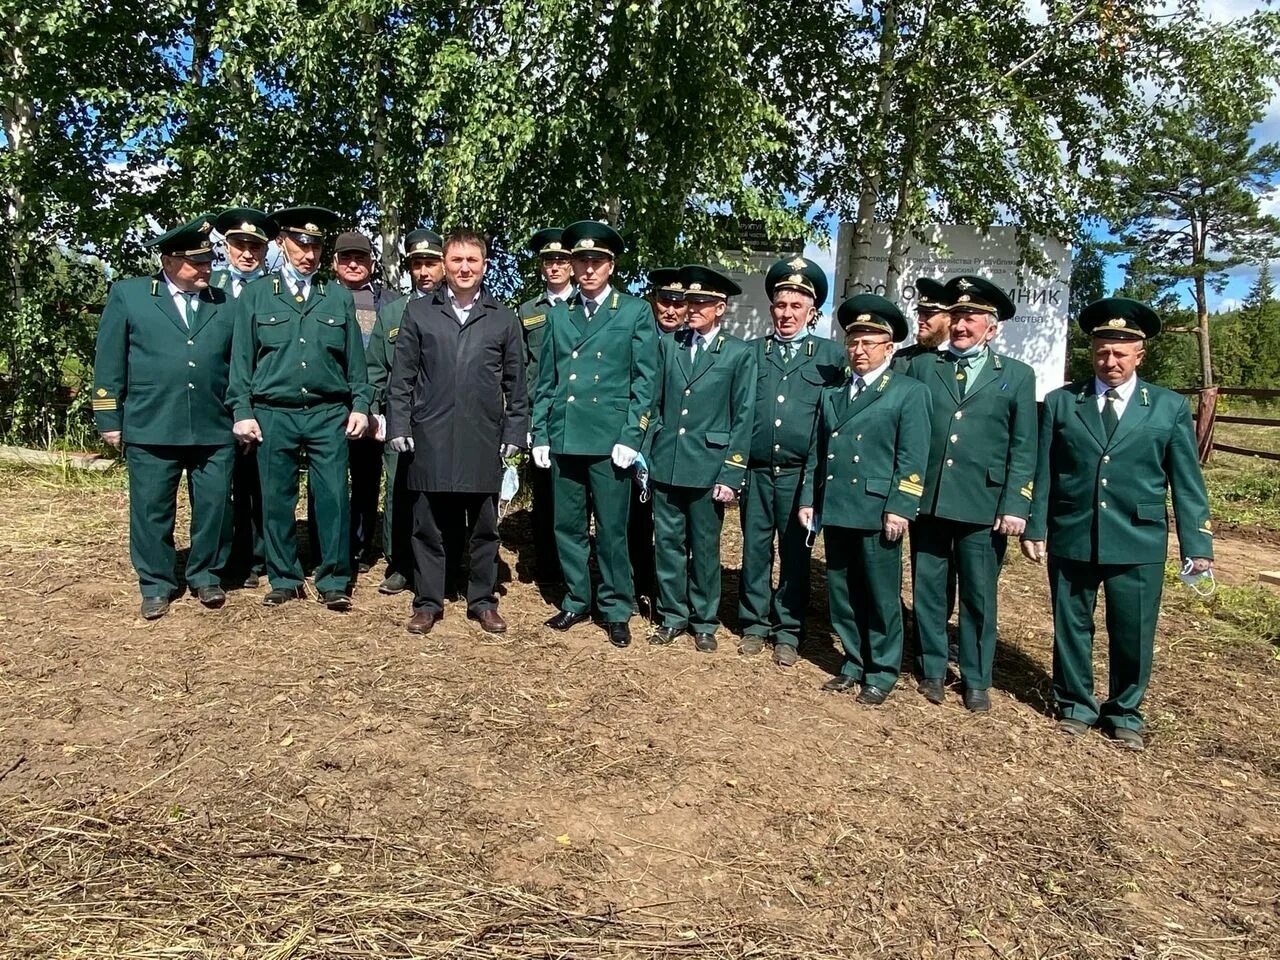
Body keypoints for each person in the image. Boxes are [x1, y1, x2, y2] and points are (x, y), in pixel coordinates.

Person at [1022, 298, 1213, 751]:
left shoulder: (1166, 408)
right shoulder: (1062, 402)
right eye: (1103, 353)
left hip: (1138, 537)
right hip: (1073, 531)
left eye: (1121, 354)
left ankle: (1125, 711)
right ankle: (1075, 705)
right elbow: (1044, 471)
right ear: (1093, 352)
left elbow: (1187, 481)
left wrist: (1197, 543)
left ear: (1139, 356)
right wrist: (1036, 527)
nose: (1110, 362)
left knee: (1133, 629)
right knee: (1072, 624)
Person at [901, 275, 1037, 711]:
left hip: (984, 504)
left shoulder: (1016, 375)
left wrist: (1017, 503)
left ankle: (977, 678)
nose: (962, 326)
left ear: (991, 328)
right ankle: (933, 668)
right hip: (931, 500)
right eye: (957, 316)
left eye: (972, 318)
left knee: (979, 594)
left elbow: (1024, 444)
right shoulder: (925, 367)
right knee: (930, 587)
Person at [227, 206, 372, 610]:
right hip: (275, 412)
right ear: (282, 243)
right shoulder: (258, 295)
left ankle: (334, 579)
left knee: (332, 497)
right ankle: (285, 577)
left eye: (315, 246)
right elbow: (242, 362)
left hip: (328, 412)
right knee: (275, 498)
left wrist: (361, 404)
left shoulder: (337, 297)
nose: (308, 254)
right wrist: (242, 410)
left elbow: (354, 363)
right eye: (299, 244)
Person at [92, 213, 235, 619]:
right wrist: (109, 417)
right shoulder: (131, 295)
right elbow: (109, 361)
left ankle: (206, 575)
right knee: (152, 508)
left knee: (214, 508)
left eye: (209, 261)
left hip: (213, 424)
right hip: (152, 423)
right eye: (197, 262)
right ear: (170, 262)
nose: (206, 268)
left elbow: (237, 363)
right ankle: (155, 583)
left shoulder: (224, 303)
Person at [386, 229, 528, 635]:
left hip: (483, 436)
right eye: (456, 260)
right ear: (444, 265)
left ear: (484, 265)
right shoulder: (420, 312)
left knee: (484, 526)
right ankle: (428, 602)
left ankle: (482, 600)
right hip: (429, 434)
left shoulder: (503, 318)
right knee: (427, 523)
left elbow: (516, 384)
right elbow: (402, 378)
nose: (464, 268)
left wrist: (516, 430)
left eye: (472, 260)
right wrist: (398, 424)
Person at [530, 220, 658, 649]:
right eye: (581, 260)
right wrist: (541, 432)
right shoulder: (559, 315)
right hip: (566, 436)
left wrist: (632, 436)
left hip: (609, 442)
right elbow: (547, 378)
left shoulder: (634, 311)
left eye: (596, 261)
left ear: (611, 265)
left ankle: (616, 607)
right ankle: (576, 598)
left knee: (610, 529)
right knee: (566, 526)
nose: (587, 269)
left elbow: (645, 382)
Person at [799, 295, 931, 701]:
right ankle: (854, 661)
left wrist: (901, 506)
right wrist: (810, 499)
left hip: (877, 510)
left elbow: (912, 457)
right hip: (837, 505)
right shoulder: (834, 391)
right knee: (841, 591)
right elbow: (816, 452)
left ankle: (883, 669)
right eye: (853, 342)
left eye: (869, 343)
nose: (858, 350)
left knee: (879, 594)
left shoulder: (907, 392)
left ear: (888, 349)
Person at [738, 256, 846, 664]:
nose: (787, 314)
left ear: (812, 310)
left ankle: (788, 630)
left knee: (796, 554)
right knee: (755, 549)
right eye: (781, 306)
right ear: (771, 309)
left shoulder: (831, 357)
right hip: (757, 471)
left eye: (796, 306)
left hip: (802, 475)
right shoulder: (752, 353)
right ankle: (753, 623)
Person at [645, 265, 756, 651]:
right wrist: (648, 452)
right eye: (690, 301)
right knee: (669, 543)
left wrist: (731, 472)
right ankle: (672, 615)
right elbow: (655, 402)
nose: (692, 309)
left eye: (702, 302)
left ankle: (704, 620)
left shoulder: (739, 353)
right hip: (668, 461)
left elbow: (743, 418)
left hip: (708, 467)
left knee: (705, 547)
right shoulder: (669, 344)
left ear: (720, 308)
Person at [366, 228, 445, 595]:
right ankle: (399, 563)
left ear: (443, 266)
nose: (424, 271)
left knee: (443, 493)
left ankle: (442, 561)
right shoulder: (393, 312)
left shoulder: (455, 308)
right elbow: (376, 370)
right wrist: (377, 414)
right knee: (398, 492)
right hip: (402, 419)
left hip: (445, 421)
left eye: (431, 263)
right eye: (417, 265)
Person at [211, 207, 277, 589]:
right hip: (215, 403)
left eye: (255, 246)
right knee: (218, 487)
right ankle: (222, 558)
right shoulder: (210, 285)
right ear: (227, 246)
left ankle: (255, 558)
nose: (247, 253)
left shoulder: (273, 289)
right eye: (239, 244)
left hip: (257, 401)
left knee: (257, 484)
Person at [327, 230, 393, 573]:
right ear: (334, 263)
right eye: (346, 258)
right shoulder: (318, 298)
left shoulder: (391, 302)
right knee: (329, 480)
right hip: (332, 407)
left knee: (367, 479)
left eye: (361, 258)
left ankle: (361, 546)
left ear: (372, 262)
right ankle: (331, 546)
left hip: (375, 406)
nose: (354, 264)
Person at [628, 266, 688, 607]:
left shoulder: (690, 343)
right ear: (653, 300)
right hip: (637, 443)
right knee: (635, 520)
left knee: (673, 529)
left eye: (679, 304)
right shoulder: (638, 334)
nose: (671, 310)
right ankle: (639, 585)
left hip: (675, 449)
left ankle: (672, 591)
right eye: (665, 300)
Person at [518, 228, 573, 587]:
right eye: (548, 261)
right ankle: (549, 569)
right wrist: (523, 420)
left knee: (577, 496)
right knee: (545, 497)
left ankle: (576, 569)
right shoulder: (527, 311)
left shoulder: (586, 307)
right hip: (541, 417)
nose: (554, 267)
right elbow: (520, 369)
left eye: (561, 261)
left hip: (579, 416)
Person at [892, 277, 951, 369]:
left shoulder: (956, 359)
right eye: (920, 314)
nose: (920, 320)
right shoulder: (902, 359)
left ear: (949, 319)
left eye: (928, 315)